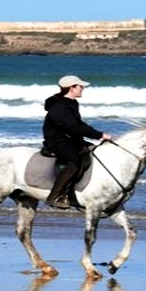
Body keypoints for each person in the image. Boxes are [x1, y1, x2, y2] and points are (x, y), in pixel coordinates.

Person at [42, 75, 112, 209]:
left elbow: (79, 124)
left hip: (70, 138)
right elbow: (73, 127)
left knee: (93, 150)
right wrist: (99, 135)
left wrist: (98, 135)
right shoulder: (59, 106)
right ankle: (54, 197)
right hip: (56, 139)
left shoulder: (72, 103)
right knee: (75, 161)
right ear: (72, 88)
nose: (83, 89)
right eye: (80, 86)